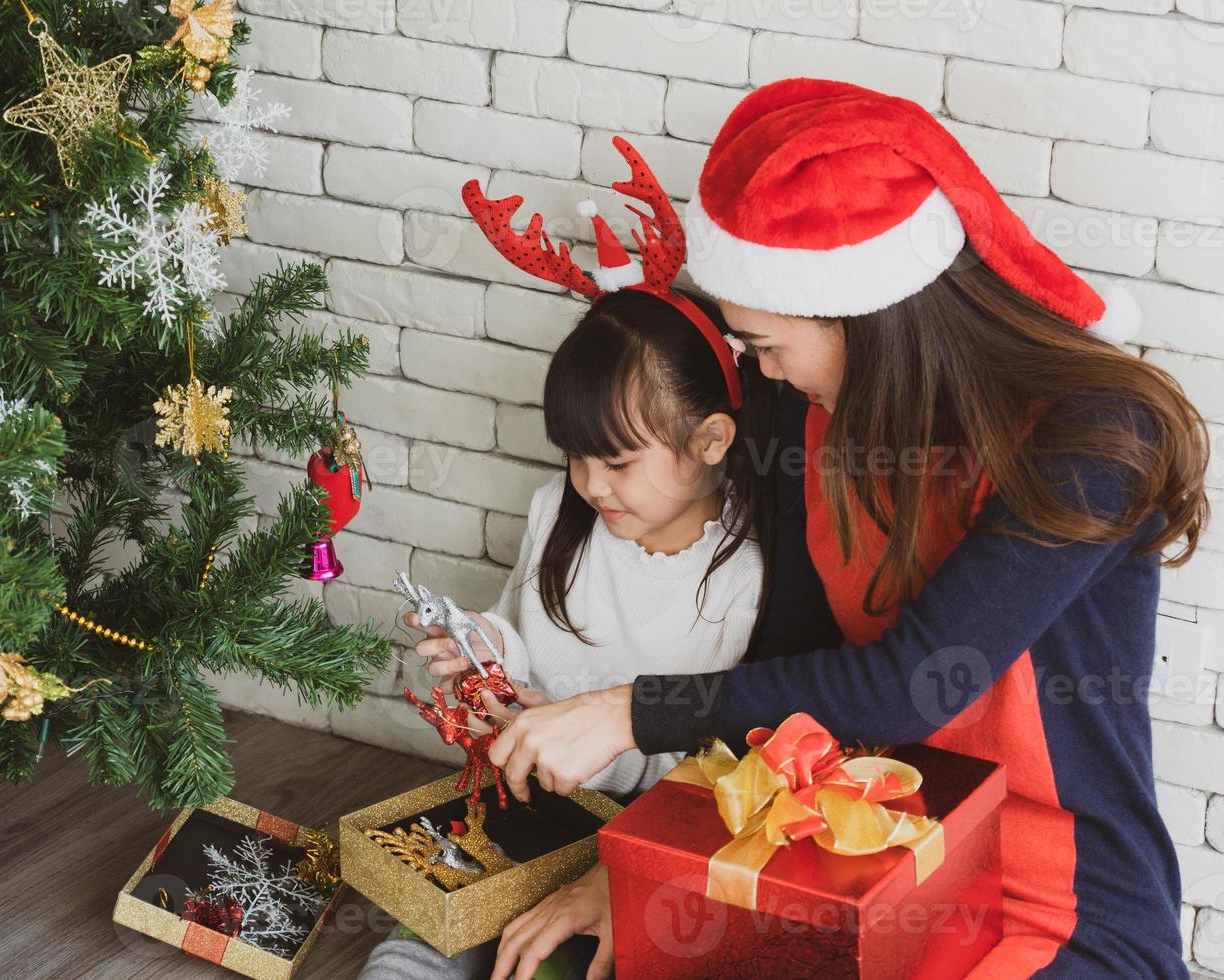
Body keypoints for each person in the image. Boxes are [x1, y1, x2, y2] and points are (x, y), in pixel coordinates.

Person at [487, 79, 1211, 979]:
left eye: (766, 344)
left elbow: (912, 683)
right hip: (842, 856)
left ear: (861, 309)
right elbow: (781, 672)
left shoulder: (1089, 436)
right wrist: (639, 866)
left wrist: (627, 711)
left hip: (1048, 902)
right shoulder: (807, 423)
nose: (761, 373)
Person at [358, 139, 779, 979]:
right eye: (575, 456)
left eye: (616, 462)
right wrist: (485, 650)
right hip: (518, 819)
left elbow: (698, 766)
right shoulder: (564, 513)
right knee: (408, 956)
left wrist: (564, 730)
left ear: (709, 441)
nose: (590, 483)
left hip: (640, 841)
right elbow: (527, 641)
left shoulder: (739, 578)